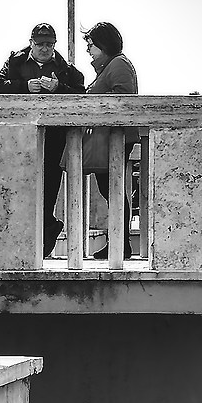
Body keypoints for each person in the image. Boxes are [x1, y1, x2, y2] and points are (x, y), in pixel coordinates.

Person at [0, 22, 88, 256]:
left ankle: (43, 242)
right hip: (19, 139)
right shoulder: (16, 62)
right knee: (21, 189)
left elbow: (81, 94)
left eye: (49, 44)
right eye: (40, 44)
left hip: (54, 138)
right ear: (31, 43)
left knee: (49, 188)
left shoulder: (65, 68)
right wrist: (24, 87)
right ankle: (37, 237)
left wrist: (58, 88)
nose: (45, 48)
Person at [74, 22, 138, 258]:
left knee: (113, 190)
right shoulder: (110, 66)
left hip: (114, 138)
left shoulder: (118, 64)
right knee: (111, 190)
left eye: (91, 45)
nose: (89, 50)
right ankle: (119, 243)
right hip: (107, 138)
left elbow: (123, 100)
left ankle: (121, 244)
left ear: (103, 45)